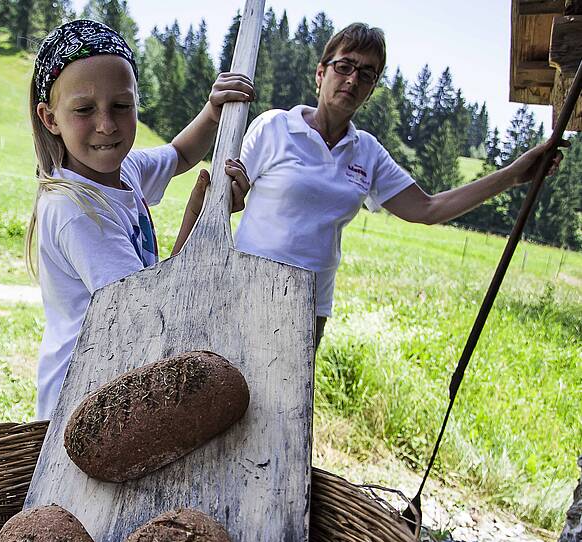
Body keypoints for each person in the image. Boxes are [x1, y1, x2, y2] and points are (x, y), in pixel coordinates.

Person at [235, 22, 565, 347]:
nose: (352, 79)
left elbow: (428, 208)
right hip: (246, 286)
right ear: (321, 73)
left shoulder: (367, 152)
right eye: (345, 66)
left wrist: (512, 174)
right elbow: (226, 195)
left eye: (366, 74)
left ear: (372, 89)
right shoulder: (274, 126)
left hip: (308, 308)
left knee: (285, 401)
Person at [26, 19, 254, 420]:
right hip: (83, 402)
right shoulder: (76, 211)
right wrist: (199, 221)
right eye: (84, 109)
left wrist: (214, 112)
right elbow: (150, 315)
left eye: (122, 105)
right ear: (50, 118)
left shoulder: (123, 170)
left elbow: (181, 155)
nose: (107, 125)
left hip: (121, 376)